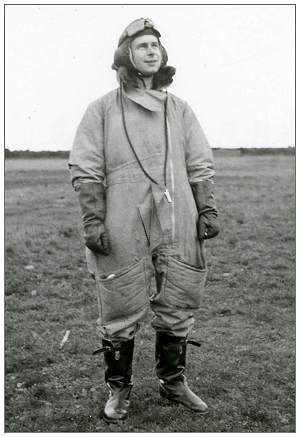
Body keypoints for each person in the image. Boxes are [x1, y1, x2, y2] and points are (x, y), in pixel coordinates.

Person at [68, 18, 219, 422]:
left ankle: (174, 381)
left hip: (177, 212)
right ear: (126, 56)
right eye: (142, 46)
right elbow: (85, 169)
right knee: (119, 299)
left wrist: (206, 208)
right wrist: (94, 220)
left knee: (180, 295)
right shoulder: (100, 109)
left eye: (156, 45)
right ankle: (119, 389)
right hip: (122, 215)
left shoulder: (180, 109)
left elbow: (200, 164)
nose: (152, 51)